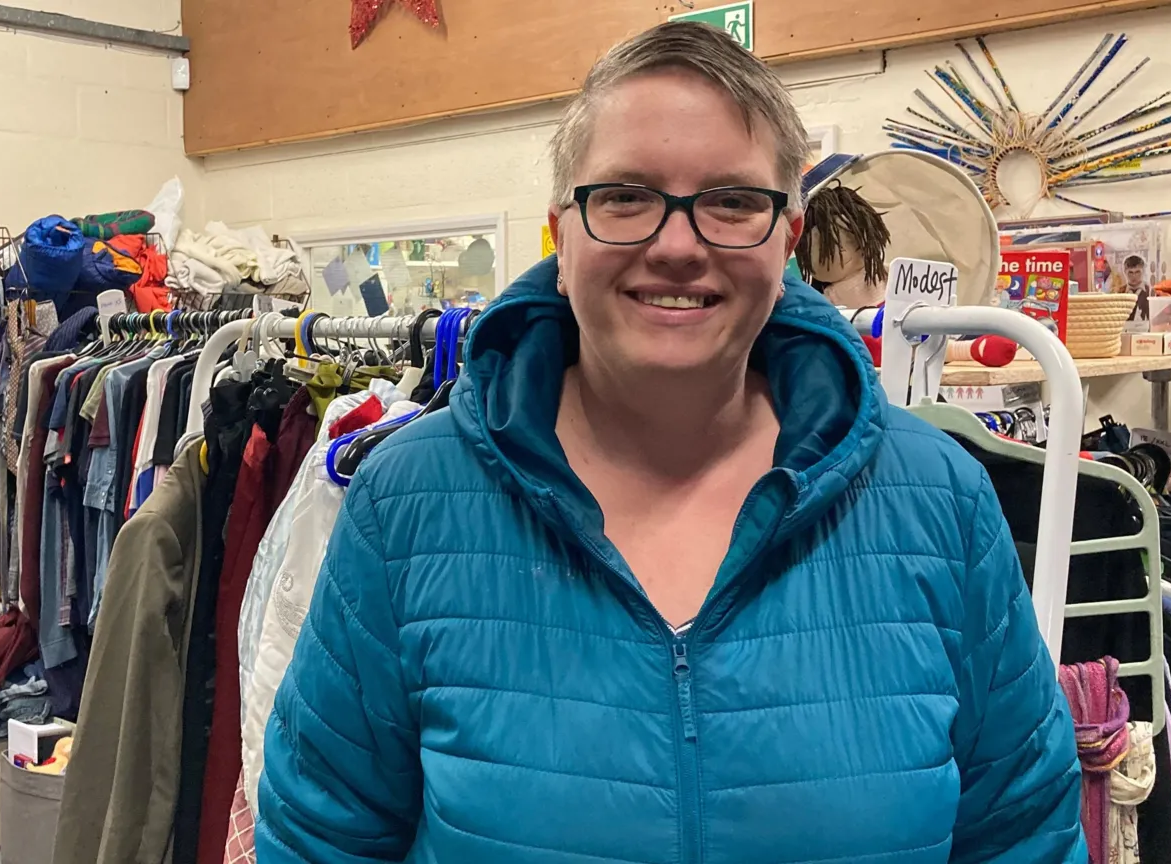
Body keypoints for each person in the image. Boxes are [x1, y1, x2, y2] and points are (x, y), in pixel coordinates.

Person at [257, 21, 1083, 863]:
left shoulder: (938, 501)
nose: (678, 245)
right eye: (625, 197)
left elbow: (1023, 835)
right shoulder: (407, 505)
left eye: (732, 200)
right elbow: (323, 838)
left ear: (787, 236)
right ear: (562, 232)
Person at [1122, 254, 1151, 322]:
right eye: (1130, 272)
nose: (1134, 276)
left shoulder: (1151, 292)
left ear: (1143, 271)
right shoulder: (1118, 293)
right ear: (1124, 272)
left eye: (1137, 272)